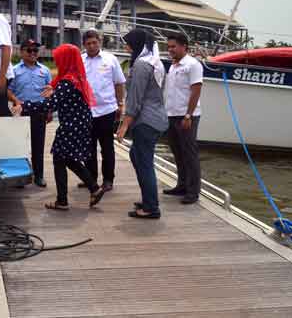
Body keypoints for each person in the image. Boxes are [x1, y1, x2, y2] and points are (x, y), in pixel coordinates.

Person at [13, 44, 99, 210]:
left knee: (60, 158)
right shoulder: (76, 77)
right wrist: (53, 89)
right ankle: (93, 188)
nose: (57, 63)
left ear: (65, 60)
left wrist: (25, 106)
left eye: (59, 59)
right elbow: (61, 97)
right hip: (79, 122)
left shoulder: (67, 82)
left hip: (71, 125)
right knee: (67, 158)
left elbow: (50, 104)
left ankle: (64, 200)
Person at [116, 30, 168, 219]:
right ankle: (148, 199)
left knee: (144, 162)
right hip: (156, 118)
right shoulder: (156, 63)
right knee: (137, 156)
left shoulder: (141, 65)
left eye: (128, 43)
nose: (125, 47)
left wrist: (124, 126)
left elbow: (135, 99)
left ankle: (151, 207)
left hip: (146, 121)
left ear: (137, 44)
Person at [79, 29, 126, 201]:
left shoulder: (110, 59)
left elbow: (119, 83)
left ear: (100, 42)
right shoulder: (80, 60)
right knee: (88, 148)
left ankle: (108, 180)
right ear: (84, 45)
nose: (92, 46)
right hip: (86, 111)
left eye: (94, 42)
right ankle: (91, 180)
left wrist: (120, 104)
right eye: (88, 43)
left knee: (107, 148)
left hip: (106, 110)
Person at [164, 33, 203, 204]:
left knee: (189, 154)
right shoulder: (173, 66)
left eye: (173, 46)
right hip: (172, 114)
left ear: (184, 46)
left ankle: (193, 192)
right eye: (169, 47)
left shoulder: (192, 65)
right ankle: (182, 185)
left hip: (187, 115)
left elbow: (196, 90)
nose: (170, 50)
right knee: (177, 152)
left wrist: (188, 115)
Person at [9, 39, 53, 187]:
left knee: (38, 146)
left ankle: (39, 176)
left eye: (35, 51)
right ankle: (21, 176)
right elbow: (8, 90)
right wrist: (16, 100)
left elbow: (49, 91)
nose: (33, 53)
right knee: (20, 145)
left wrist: (49, 111)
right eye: (29, 50)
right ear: (21, 52)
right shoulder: (15, 71)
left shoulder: (45, 70)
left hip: (40, 112)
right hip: (22, 111)